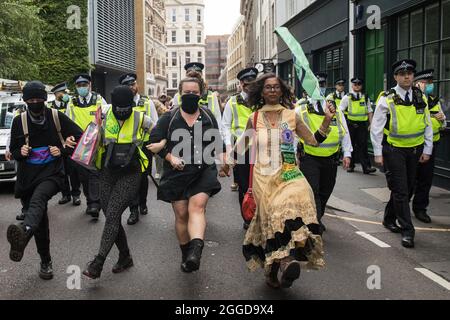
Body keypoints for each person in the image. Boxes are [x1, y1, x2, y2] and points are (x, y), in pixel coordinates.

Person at [236, 73, 334, 289]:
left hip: (289, 172)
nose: (272, 90)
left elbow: (313, 141)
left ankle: (287, 261)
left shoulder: (292, 115)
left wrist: (327, 120)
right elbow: (241, 147)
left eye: (276, 87)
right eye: (268, 87)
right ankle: (274, 270)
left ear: (282, 91)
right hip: (263, 176)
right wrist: (226, 163)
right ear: (261, 92)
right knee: (273, 221)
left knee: (296, 205)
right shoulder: (254, 118)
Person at [71, 85, 155, 279]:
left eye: (126, 108)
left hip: (131, 173)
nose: (122, 112)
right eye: (119, 108)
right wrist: (94, 129)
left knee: (114, 213)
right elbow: (93, 139)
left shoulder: (141, 118)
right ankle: (125, 256)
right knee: (111, 215)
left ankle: (98, 262)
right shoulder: (104, 115)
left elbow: (159, 132)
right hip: (107, 172)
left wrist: (157, 145)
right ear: (113, 104)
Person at [149, 77, 230, 273]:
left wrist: (224, 160)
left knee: (197, 207)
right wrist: (169, 157)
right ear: (179, 94)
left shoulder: (208, 115)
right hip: (177, 173)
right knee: (182, 214)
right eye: (187, 93)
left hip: (203, 170)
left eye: (195, 93)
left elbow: (217, 142)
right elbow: (152, 143)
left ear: (201, 94)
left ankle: (196, 251)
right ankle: (186, 253)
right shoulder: (169, 117)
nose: (191, 96)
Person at [6, 81, 83, 280]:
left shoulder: (55, 117)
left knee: (39, 199)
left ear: (44, 99)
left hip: (52, 173)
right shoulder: (19, 121)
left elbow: (82, 136)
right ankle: (45, 261)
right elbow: (13, 150)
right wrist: (20, 152)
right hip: (27, 176)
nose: (35, 103)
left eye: (39, 99)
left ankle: (25, 229)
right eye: (31, 100)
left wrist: (64, 150)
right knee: (40, 221)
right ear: (25, 101)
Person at [371, 59, 433, 249]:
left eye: (409, 73)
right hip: (394, 150)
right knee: (401, 190)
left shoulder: (420, 96)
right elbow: (376, 128)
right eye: (402, 73)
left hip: (415, 150)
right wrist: (378, 153)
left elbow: (427, 123)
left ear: (413, 76)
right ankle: (408, 231)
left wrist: (427, 149)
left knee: (408, 188)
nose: (406, 76)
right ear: (396, 76)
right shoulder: (387, 97)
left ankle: (389, 218)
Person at [297, 95, 353, 234]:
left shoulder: (335, 109)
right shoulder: (301, 110)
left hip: (331, 159)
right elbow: (294, 134)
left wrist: (347, 153)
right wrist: (292, 156)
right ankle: (314, 228)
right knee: (312, 192)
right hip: (309, 158)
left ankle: (316, 218)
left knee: (325, 190)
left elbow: (344, 132)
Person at [66, 73, 108, 220]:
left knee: (94, 173)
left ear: (89, 85)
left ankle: (95, 205)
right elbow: (67, 121)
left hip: (95, 141)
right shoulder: (72, 102)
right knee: (83, 176)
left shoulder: (98, 99)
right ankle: (91, 202)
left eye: (84, 85)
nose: (82, 88)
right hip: (79, 144)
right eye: (79, 85)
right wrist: (67, 137)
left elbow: (106, 117)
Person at [118, 73, 159, 225]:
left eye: (133, 84)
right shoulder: (119, 103)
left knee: (143, 177)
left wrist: (154, 143)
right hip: (126, 147)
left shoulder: (146, 102)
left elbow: (155, 124)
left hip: (144, 146)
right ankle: (133, 210)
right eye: (128, 85)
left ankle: (143, 202)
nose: (132, 87)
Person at [222, 67, 258, 228]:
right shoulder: (233, 101)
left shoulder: (263, 99)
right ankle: (248, 218)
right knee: (244, 186)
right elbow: (225, 126)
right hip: (241, 150)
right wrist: (229, 148)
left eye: (252, 82)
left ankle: (260, 217)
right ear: (241, 84)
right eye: (246, 83)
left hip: (261, 150)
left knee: (261, 185)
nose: (249, 85)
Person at [412, 69, 446, 223]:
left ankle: (420, 208)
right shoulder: (410, 98)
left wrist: (441, 119)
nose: (429, 85)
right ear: (416, 83)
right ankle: (401, 207)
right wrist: (433, 116)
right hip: (415, 145)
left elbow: (443, 123)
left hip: (432, 145)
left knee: (426, 180)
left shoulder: (434, 99)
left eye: (430, 82)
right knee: (410, 180)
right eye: (426, 82)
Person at [49, 82, 81, 207]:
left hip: (69, 141)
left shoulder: (71, 104)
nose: (65, 94)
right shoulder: (49, 106)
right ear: (56, 94)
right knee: (61, 170)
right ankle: (65, 194)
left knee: (73, 170)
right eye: (63, 92)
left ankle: (76, 195)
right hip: (57, 143)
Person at [172, 62, 224, 138]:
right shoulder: (177, 96)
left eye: (197, 77)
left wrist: (219, 140)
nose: (194, 80)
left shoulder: (211, 96)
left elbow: (218, 119)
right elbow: (174, 118)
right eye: (191, 77)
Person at [339, 78, 377, 174]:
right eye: (355, 84)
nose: (357, 86)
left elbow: (369, 111)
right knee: (350, 145)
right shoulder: (347, 97)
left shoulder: (365, 97)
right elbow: (340, 111)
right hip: (350, 125)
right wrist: (342, 125)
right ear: (352, 86)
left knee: (363, 145)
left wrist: (371, 124)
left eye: (359, 84)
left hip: (362, 125)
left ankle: (366, 167)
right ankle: (350, 166)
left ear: (361, 85)